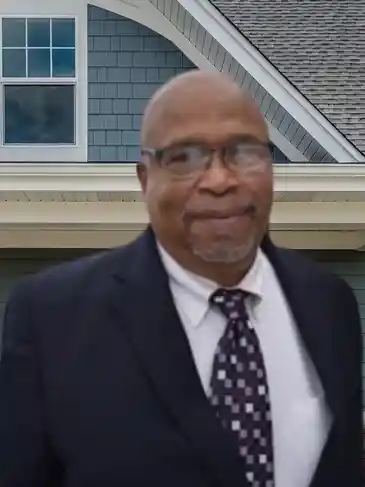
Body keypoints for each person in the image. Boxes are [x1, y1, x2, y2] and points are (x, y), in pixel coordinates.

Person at [0, 70, 362, 487]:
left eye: (243, 152)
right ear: (144, 179)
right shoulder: (53, 320)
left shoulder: (329, 304)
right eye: (184, 158)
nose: (220, 180)